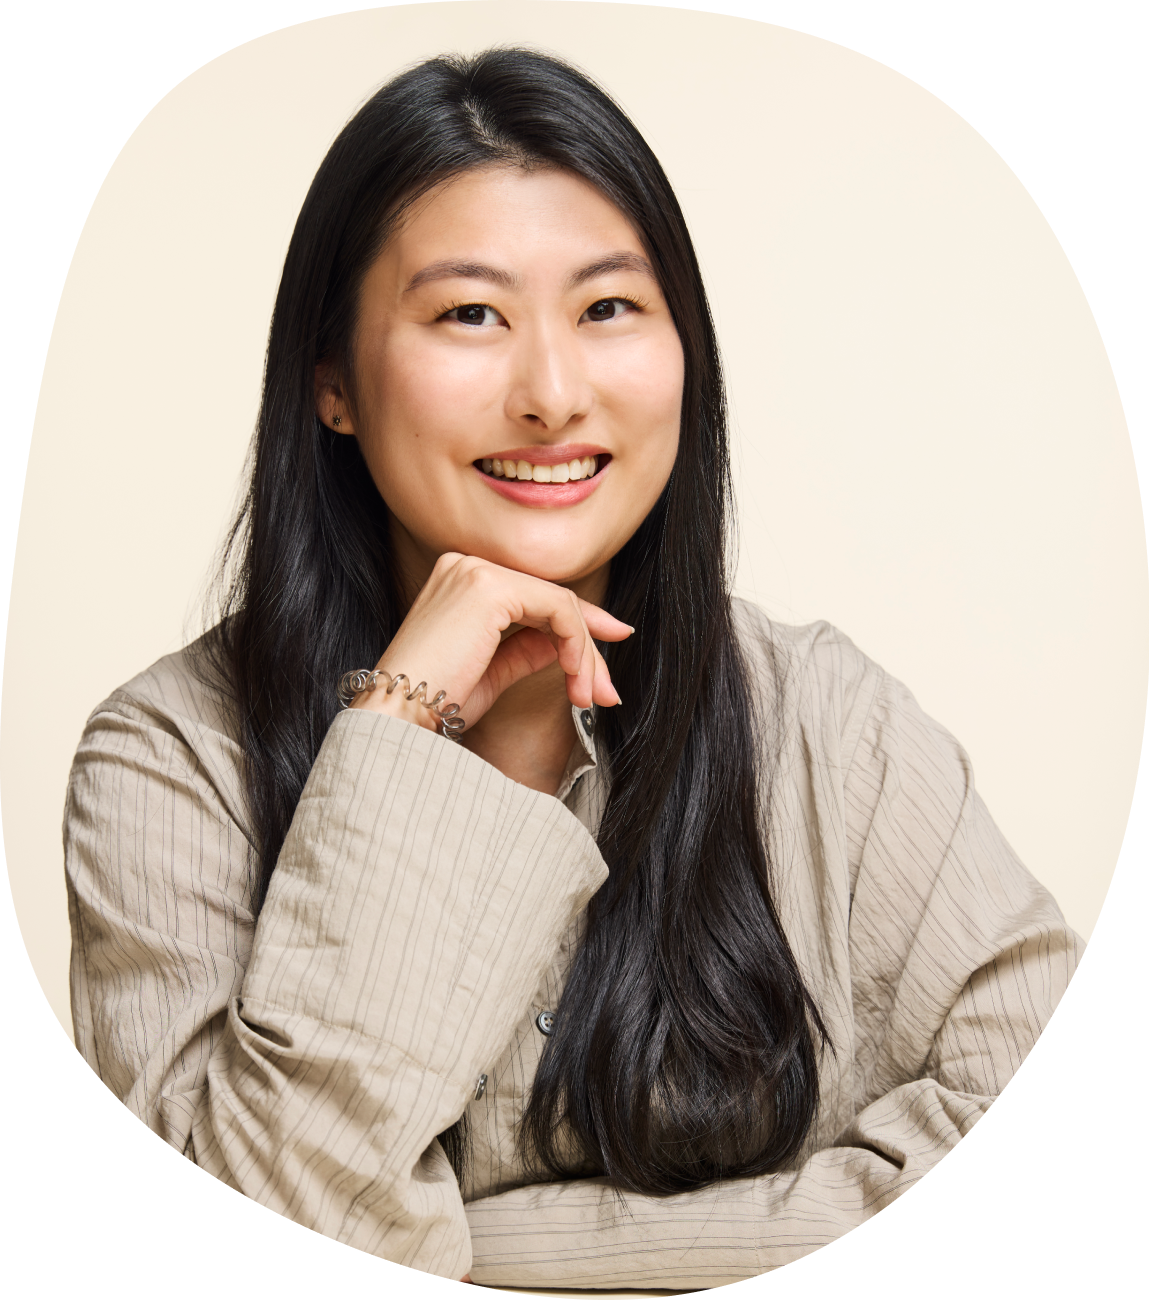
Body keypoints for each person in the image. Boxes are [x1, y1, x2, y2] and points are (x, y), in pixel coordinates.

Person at [64, 47, 1078, 1288]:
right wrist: (396, 733)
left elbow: (1045, 1136)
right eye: (468, 315)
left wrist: (477, 1259)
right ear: (332, 383)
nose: (551, 394)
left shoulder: (824, 720)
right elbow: (255, 1254)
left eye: (606, 309)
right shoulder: (173, 763)